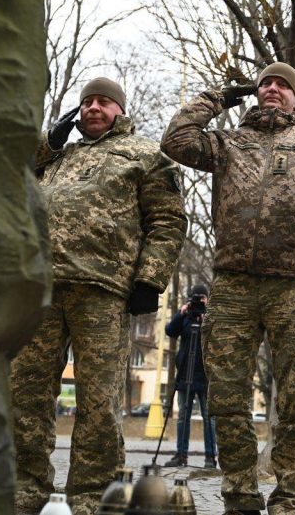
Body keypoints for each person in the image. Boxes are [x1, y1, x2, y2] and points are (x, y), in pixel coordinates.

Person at [161, 62, 295, 515]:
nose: (272, 89)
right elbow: (175, 141)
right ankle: (241, 496)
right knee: (227, 400)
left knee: (293, 401)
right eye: (265, 83)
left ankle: (288, 498)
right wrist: (216, 100)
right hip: (232, 285)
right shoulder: (228, 143)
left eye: (282, 85)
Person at [12, 77, 187, 515]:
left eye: (103, 101)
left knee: (99, 401)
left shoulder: (145, 155)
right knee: (25, 396)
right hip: (42, 288)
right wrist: (47, 143)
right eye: (87, 101)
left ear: (120, 110)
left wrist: (150, 280)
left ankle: (93, 498)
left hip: (104, 291)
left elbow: (167, 221)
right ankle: (21, 489)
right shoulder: (57, 157)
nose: (93, 107)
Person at [163, 284, 217, 469]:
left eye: (202, 298)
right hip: (185, 374)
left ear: (207, 299)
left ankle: (210, 457)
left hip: (205, 375)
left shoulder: (210, 318)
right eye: (195, 298)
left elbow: (217, 338)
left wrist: (206, 318)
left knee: (209, 417)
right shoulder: (185, 317)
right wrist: (181, 313)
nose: (198, 301)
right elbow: (170, 331)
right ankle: (181, 455)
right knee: (182, 417)